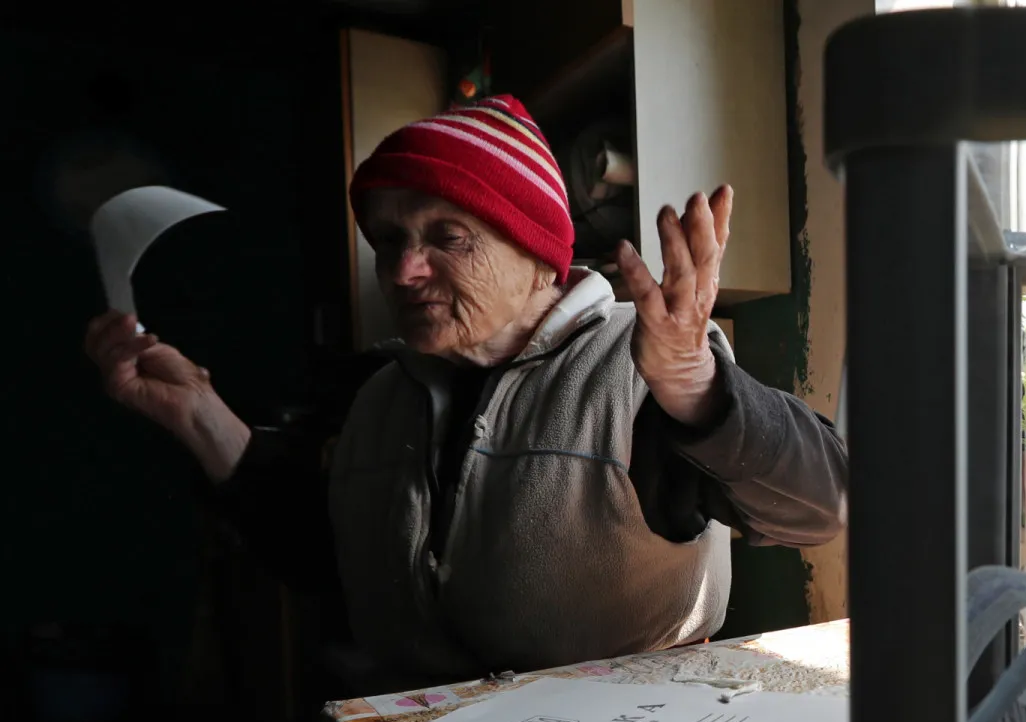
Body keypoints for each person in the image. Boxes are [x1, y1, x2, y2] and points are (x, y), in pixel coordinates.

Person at [81, 95, 846, 691]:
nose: (402, 271)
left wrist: (694, 385)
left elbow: (822, 504)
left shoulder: (636, 364)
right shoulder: (383, 393)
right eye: (388, 241)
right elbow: (339, 556)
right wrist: (198, 414)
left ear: (542, 258)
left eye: (447, 237)